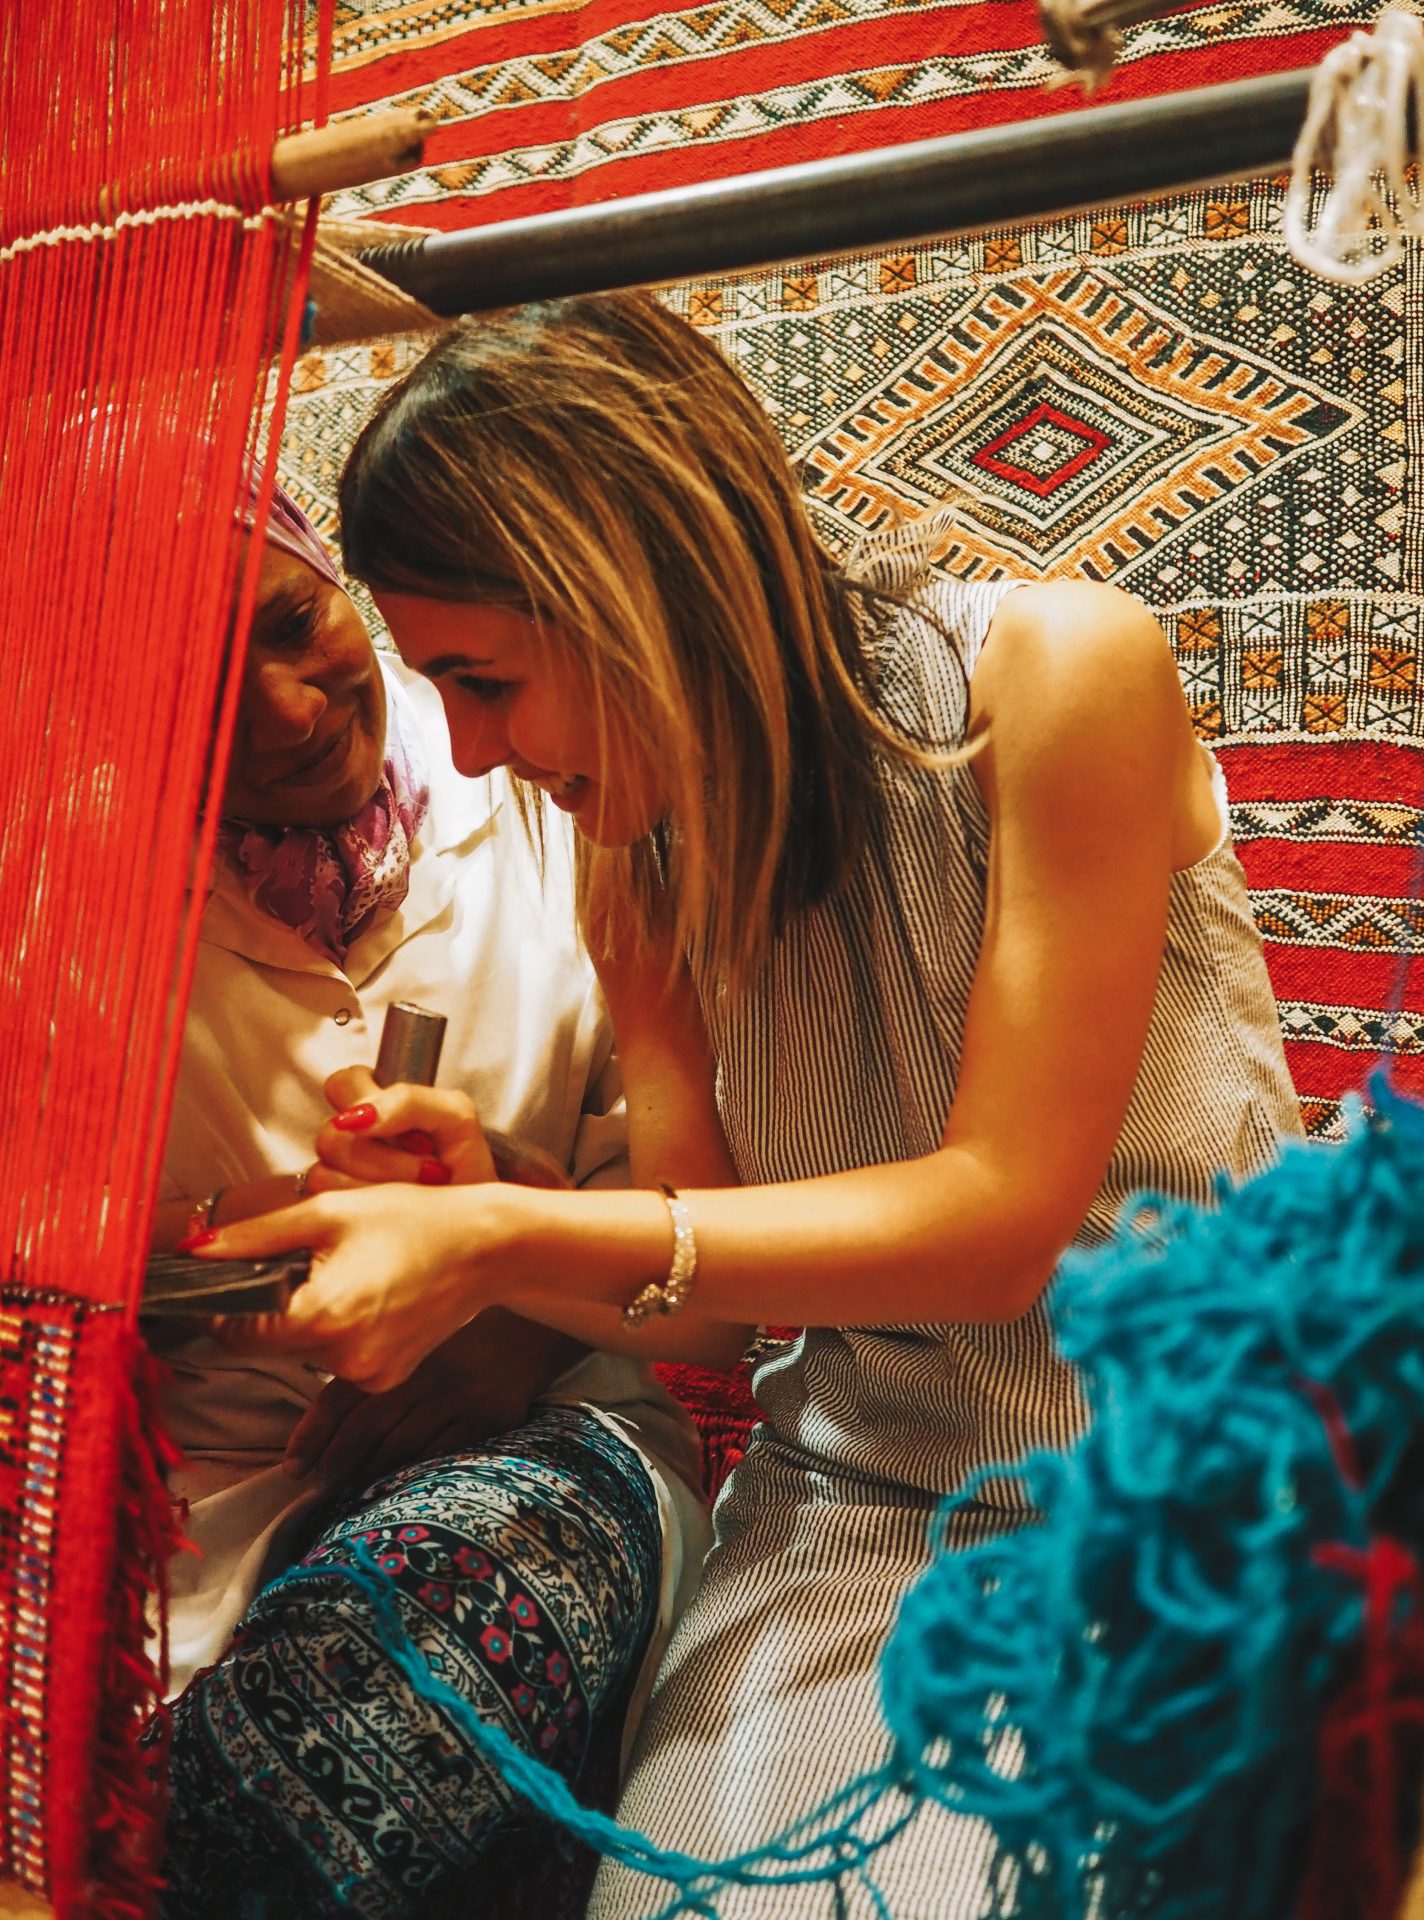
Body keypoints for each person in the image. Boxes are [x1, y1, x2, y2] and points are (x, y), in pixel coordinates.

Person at [193, 293, 1303, 1917]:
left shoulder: (1060, 677)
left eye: (483, 678)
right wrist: (478, 1215)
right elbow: (704, 1321)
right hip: (855, 1502)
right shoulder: (630, 864)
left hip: (1182, 1472)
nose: (466, 750)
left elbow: (998, 1223)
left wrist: (506, 1226)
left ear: (625, 592)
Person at [150, 476, 707, 1918]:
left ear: (340, 584)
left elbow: (692, 1211)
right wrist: (207, 1266)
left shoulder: (560, 785)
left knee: (343, 1729)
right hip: (188, 1497)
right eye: (204, 689)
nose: (286, 710)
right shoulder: (59, 899)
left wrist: (506, 1320)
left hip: (557, 1421)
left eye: (294, 621)